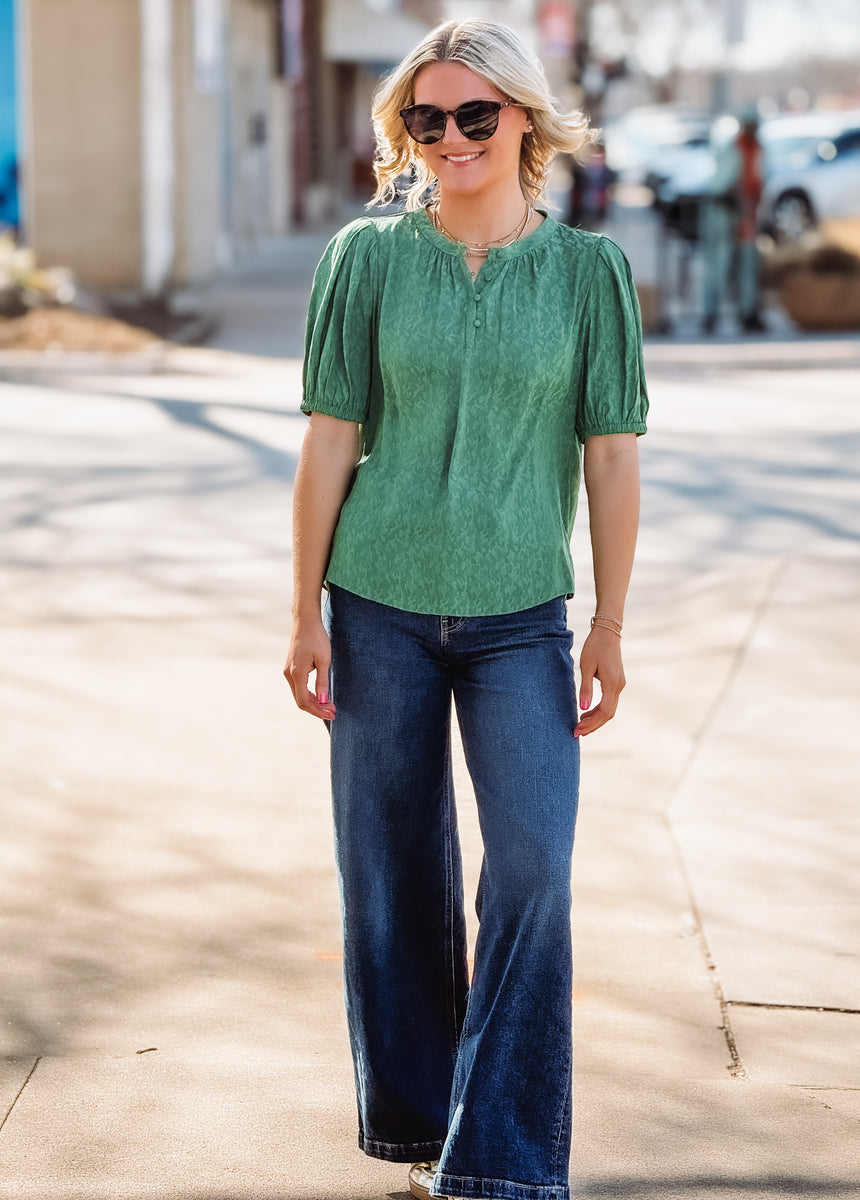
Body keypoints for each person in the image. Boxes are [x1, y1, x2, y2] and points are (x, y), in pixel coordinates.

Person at [283, 19, 648, 1200]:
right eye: (426, 120)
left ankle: (502, 1160)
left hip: (519, 622)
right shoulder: (366, 261)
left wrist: (609, 623)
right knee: (390, 870)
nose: (449, 140)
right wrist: (302, 614)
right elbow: (330, 442)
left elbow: (609, 459)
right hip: (377, 604)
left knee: (534, 866)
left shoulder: (589, 273)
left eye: (474, 116)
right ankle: (413, 1125)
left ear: (525, 121)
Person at [699, 103, 767, 334]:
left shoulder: (757, 150)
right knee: (719, 263)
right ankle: (709, 315)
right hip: (723, 212)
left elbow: (758, 183)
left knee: (748, 265)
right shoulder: (732, 150)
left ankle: (748, 313)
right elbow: (721, 186)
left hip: (746, 213)